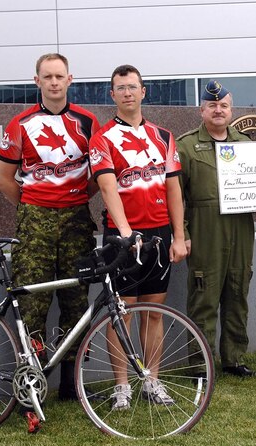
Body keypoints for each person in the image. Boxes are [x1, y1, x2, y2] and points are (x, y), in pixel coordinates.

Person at [0, 53, 99, 431]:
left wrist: (72, 199)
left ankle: (72, 383)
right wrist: (35, 206)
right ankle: (30, 387)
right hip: (35, 220)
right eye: (47, 77)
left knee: (76, 300)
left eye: (60, 76)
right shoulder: (21, 123)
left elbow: (96, 175)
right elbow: (4, 179)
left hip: (76, 220)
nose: (54, 82)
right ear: (37, 80)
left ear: (70, 79)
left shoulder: (87, 122)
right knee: (33, 302)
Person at [88, 64, 187, 410]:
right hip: (122, 238)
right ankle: (121, 387)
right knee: (122, 312)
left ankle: (152, 381)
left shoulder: (163, 136)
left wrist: (178, 235)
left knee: (154, 312)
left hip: (159, 235)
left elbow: (173, 188)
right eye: (120, 88)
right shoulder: (101, 138)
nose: (127, 92)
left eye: (133, 86)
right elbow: (106, 186)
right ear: (112, 95)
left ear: (144, 92)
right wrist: (128, 234)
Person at [176, 80, 256, 378]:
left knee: (238, 293)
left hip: (240, 230)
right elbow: (176, 195)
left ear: (231, 110)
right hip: (204, 231)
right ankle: (201, 363)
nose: (218, 110)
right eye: (212, 105)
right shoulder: (185, 146)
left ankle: (234, 358)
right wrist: (182, 234)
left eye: (223, 105)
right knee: (204, 298)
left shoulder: (246, 146)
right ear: (202, 110)